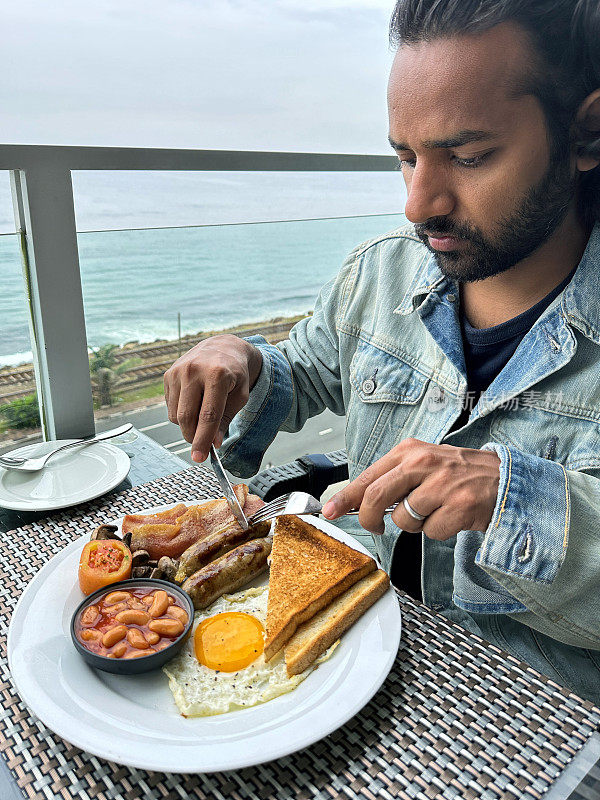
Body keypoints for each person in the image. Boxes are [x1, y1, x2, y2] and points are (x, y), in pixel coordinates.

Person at [164, 0, 600, 702]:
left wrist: (513, 500)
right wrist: (240, 361)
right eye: (405, 156)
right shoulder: (381, 273)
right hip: (347, 651)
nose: (418, 204)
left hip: (532, 713)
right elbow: (303, 371)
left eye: (467, 156)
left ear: (587, 133)